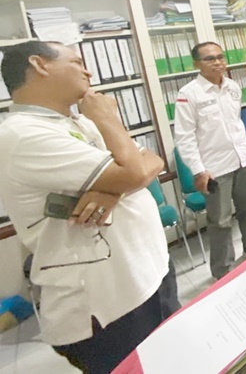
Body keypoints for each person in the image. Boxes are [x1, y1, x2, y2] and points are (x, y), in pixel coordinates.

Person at [0, 41, 179, 373]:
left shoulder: (77, 123)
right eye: (77, 61)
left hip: (150, 272)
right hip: (109, 304)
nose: (88, 70)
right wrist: (108, 119)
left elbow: (152, 160)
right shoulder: (24, 134)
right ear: (40, 65)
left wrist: (113, 190)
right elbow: (137, 169)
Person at [174, 42, 246, 280]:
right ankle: (223, 273)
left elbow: (235, 123)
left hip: (243, 159)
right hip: (215, 169)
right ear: (196, 64)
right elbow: (184, 137)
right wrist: (199, 171)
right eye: (210, 59)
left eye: (220, 57)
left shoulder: (233, 87)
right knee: (220, 222)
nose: (217, 62)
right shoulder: (189, 94)